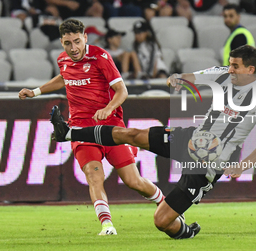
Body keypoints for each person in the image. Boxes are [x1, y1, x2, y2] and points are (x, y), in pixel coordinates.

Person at [50, 45, 256, 239]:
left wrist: (242, 166)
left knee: (161, 221)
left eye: (235, 66)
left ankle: (185, 231)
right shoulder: (223, 74)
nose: (230, 69)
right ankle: (69, 133)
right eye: (229, 64)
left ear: (251, 69)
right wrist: (176, 80)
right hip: (193, 138)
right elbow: (187, 77)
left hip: (209, 163)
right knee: (132, 135)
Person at [18, 19, 165, 236]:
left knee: (134, 181)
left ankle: (167, 206)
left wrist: (108, 108)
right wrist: (36, 91)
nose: (73, 48)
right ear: (61, 42)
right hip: (81, 129)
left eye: (77, 41)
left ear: (85, 38)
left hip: (110, 127)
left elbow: (122, 91)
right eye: (68, 43)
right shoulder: (63, 60)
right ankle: (107, 225)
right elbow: (63, 78)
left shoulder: (100, 57)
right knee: (94, 175)